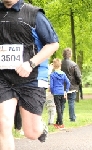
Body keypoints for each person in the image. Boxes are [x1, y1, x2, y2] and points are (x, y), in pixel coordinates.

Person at [0, 0, 59, 149]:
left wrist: (31, 63)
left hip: (31, 77)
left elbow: (53, 44)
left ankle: (40, 127)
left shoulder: (34, 14)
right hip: (3, 78)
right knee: (3, 124)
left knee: (31, 132)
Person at [61, 48, 81, 122]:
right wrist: (78, 83)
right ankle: (72, 118)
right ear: (70, 54)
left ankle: (60, 118)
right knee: (71, 102)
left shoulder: (59, 64)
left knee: (62, 103)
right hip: (72, 86)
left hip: (62, 87)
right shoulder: (73, 64)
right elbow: (78, 76)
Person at [50, 58, 70, 129]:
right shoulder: (63, 74)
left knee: (58, 108)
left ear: (53, 66)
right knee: (61, 108)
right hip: (62, 92)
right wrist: (66, 91)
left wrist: (52, 92)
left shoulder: (52, 75)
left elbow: (51, 86)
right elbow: (68, 83)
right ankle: (57, 122)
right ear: (60, 65)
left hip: (56, 93)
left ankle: (61, 123)